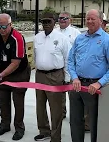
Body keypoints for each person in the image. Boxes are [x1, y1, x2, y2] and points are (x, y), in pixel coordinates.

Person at [68, 9, 109, 142]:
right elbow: (70, 60)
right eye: (88, 19)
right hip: (76, 85)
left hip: (93, 87)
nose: (90, 21)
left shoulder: (108, 41)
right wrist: (74, 77)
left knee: (94, 123)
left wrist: (99, 83)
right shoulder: (79, 38)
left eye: (93, 19)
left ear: (100, 21)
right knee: (75, 120)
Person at [0, 13, 31, 141]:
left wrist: (0, 75)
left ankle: (19, 128)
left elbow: (15, 63)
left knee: (18, 101)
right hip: (3, 69)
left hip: (19, 72)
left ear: (11, 25)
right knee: (3, 100)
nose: (1, 29)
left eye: (4, 26)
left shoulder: (17, 38)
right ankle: (5, 125)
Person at [33, 12, 72, 142]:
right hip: (40, 75)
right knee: (40, 106)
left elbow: (68, 59)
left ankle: (56, 137)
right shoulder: (37, 37)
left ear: (54, 22)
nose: (45, 24)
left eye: (48, 21)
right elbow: (35, 55)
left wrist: (66, 78)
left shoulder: (62, 38)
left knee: (56, 108)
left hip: (56, 76)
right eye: (43, 22)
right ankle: (44, 131)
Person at [55, 11, 81, 119]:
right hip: (58, 68)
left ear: (70, 20)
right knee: (59, 95)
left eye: (65, 18)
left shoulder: (76, 33)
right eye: (60, 18)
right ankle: (61, 113)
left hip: (72, 69)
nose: (62, 20)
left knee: (73, 95)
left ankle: (75, 116)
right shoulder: (54, 32)